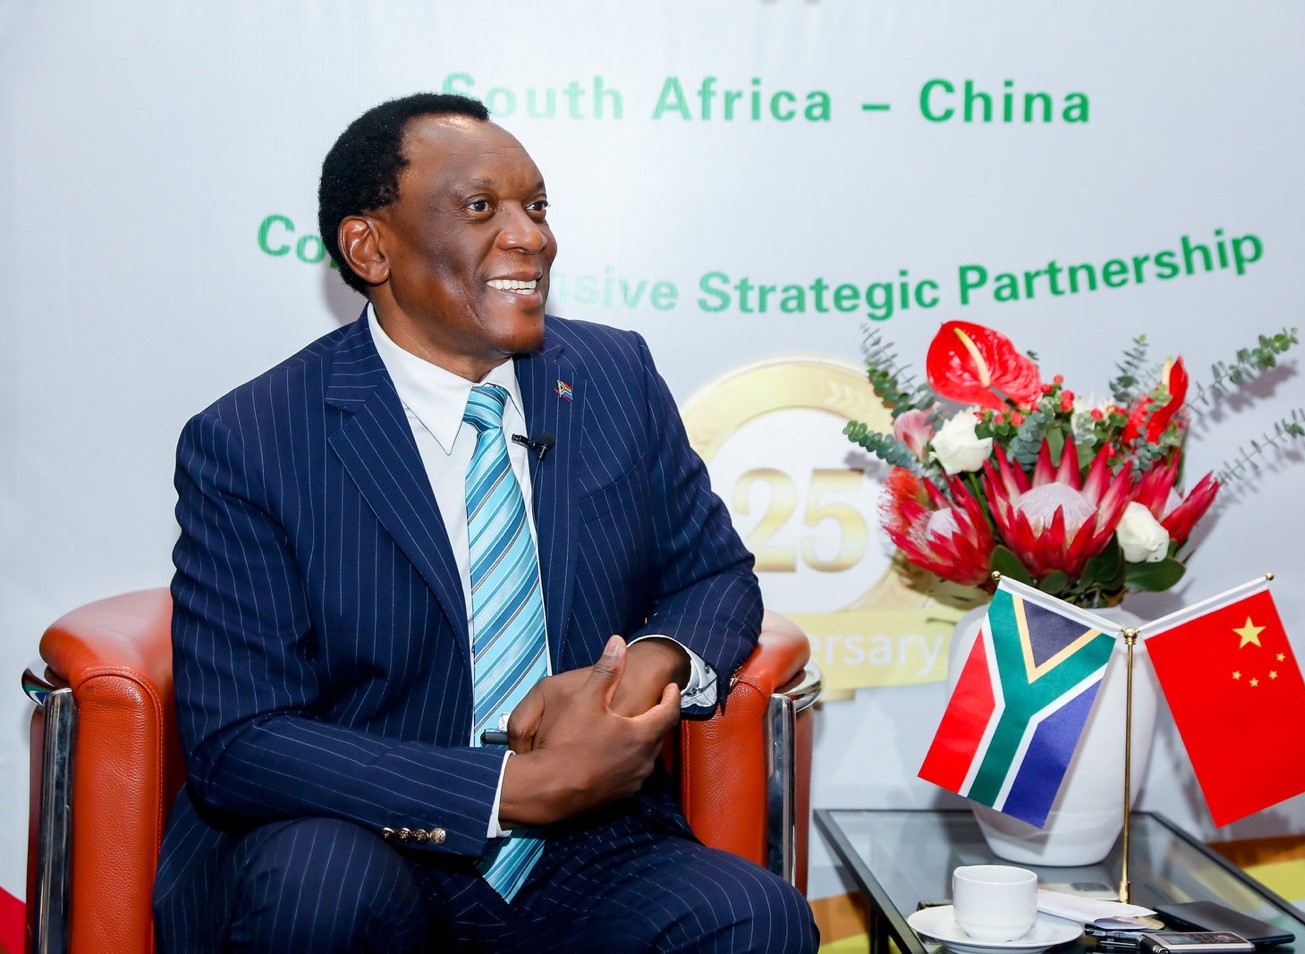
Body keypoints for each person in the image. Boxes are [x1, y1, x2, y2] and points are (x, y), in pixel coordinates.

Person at [153, 92, 819, 953]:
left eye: (535, 207)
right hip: (360, 834)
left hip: (587, 845)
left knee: (754, 918)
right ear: (370, 247)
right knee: (318, 890)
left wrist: (645, 669)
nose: (530, 237)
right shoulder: (251, 439)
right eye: (481, 207)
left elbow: (713, 575)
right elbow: (240, 741)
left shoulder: (613, 373)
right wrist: (507, 788)